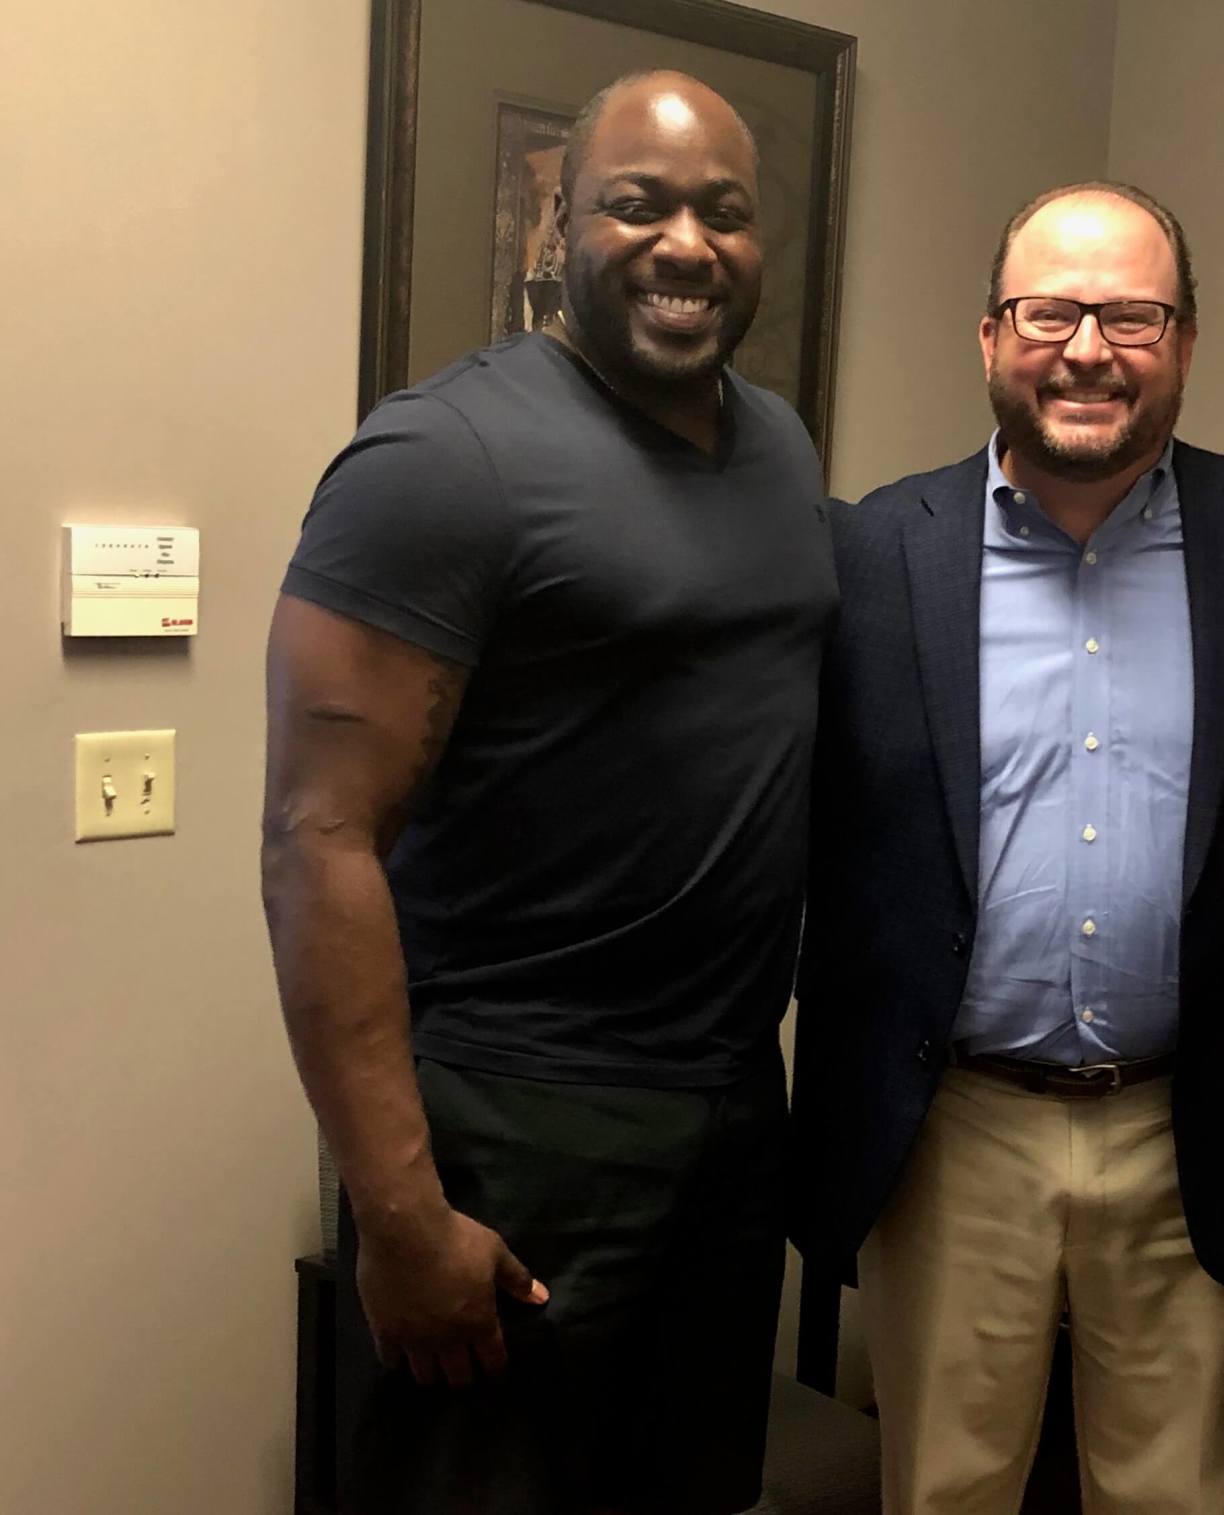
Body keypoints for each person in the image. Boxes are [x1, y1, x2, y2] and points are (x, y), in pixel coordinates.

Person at [260, 70, 834, 1515]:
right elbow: (317, 838)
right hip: (521, 1117)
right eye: (636, 205)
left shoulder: (779, 446)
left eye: (724, 212)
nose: (686, 244)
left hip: (723, 1105)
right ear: (556, 226)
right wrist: (396, 1210)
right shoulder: (440, 461)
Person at [792, 180, 1224, 1514]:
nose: (1089, 348)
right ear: (987, 336)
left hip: (1190, 1129)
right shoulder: (865, 555)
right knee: (945, 1490)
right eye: (1051, 311)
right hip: (954, 1130)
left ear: (1186, 342)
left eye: (1132, 315)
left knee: (1188, 1496)